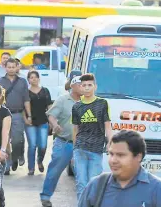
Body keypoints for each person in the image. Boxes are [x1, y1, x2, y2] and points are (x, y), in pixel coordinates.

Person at [79, 131, 161, 207]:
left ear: (138, 157)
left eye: (120, 155)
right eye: (111, 154)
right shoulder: (96, 186)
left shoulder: (159, 190)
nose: (113, 160)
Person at [40, 73, 82, 207]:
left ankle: (85, 201)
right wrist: (55, 124)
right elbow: (51, 115)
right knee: (55, 170)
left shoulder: (90, 102)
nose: (83, 87)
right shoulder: (63, 100)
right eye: (79, 84)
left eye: (85, 84)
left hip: (83, 145)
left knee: (83, 175)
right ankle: (46, 196)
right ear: (72, 86)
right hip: (65, 143)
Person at [72, 73, 113, 200]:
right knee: (81, 183)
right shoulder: (77, 106)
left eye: (90, 85)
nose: (87, 88)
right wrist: (74, 150)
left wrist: (111, 143)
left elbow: (107, 126)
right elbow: (75, 129)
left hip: (96, 149)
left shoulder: (102, 103)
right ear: (80, 87)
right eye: (84, 85)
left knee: (94, 184)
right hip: (80, 149)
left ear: (95, 86)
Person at [0, 58, 31, 173]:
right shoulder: (0, 81)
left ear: (17, 67)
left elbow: (26, 99)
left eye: (13, 67)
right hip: (4, 114)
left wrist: (29, 115)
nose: (11, 69)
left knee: (18, 140)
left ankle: (17, 155)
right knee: (5, 140)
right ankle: (8, 164)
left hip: (18, 113)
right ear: (5, 67)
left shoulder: (22, 81)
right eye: (9, 67)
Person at [26, 71, 52, 175]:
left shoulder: (45, 91)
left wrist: (51, 120)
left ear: (39, 78)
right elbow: (23, 107)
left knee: (43, 145)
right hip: (31, 121)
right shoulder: (26, 92)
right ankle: (31, 168)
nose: (34, 79)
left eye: (35, 77)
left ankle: (40, 160)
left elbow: (50, 106)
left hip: (43, 120)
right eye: (31, 77)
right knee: (32, 145)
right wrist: (26, 118)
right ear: (28, 79)